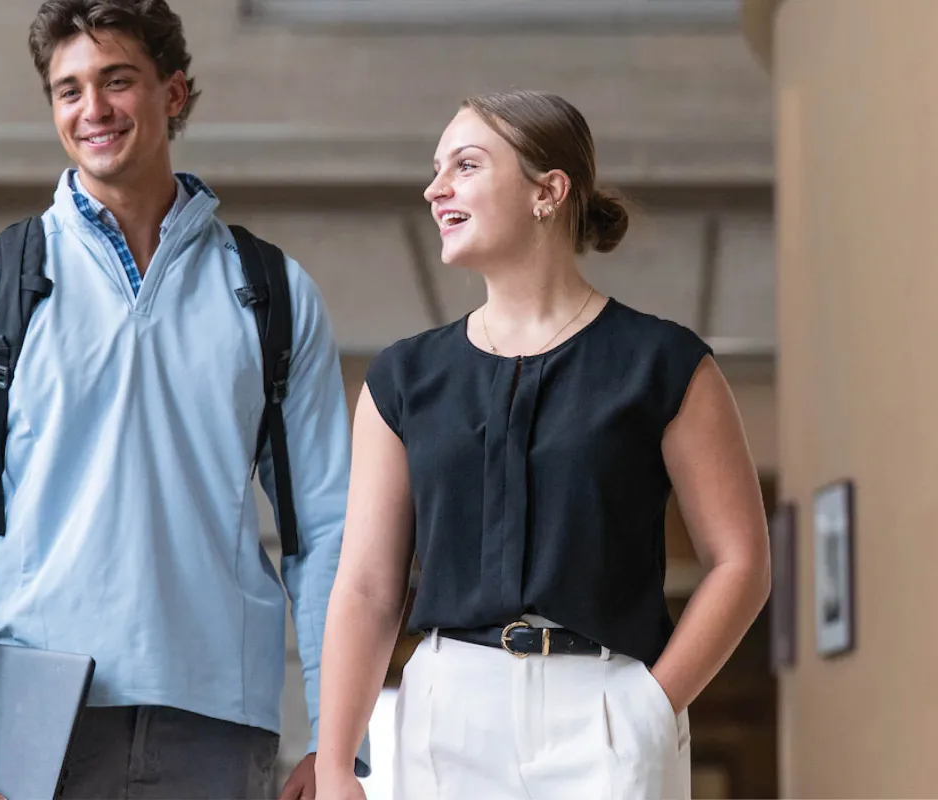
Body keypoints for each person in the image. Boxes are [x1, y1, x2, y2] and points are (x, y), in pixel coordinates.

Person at [0, 1, 367, 798]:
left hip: (216, 719)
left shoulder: (272, 292)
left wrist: (340, 750)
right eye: (68, 90)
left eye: (117, 81)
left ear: (176, 93)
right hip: (25, 720)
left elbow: (327, 532)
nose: (92, 110)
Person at [314, 90, 772, 800]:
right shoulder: (402, 379)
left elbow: (741, 562)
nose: (436, 189)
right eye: (437, 169)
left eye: (466, 166)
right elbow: (369, 587)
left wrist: (653, 705)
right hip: (447, 713)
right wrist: (335, 762)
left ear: (548, 192)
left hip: (610, 708)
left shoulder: (665, 363)